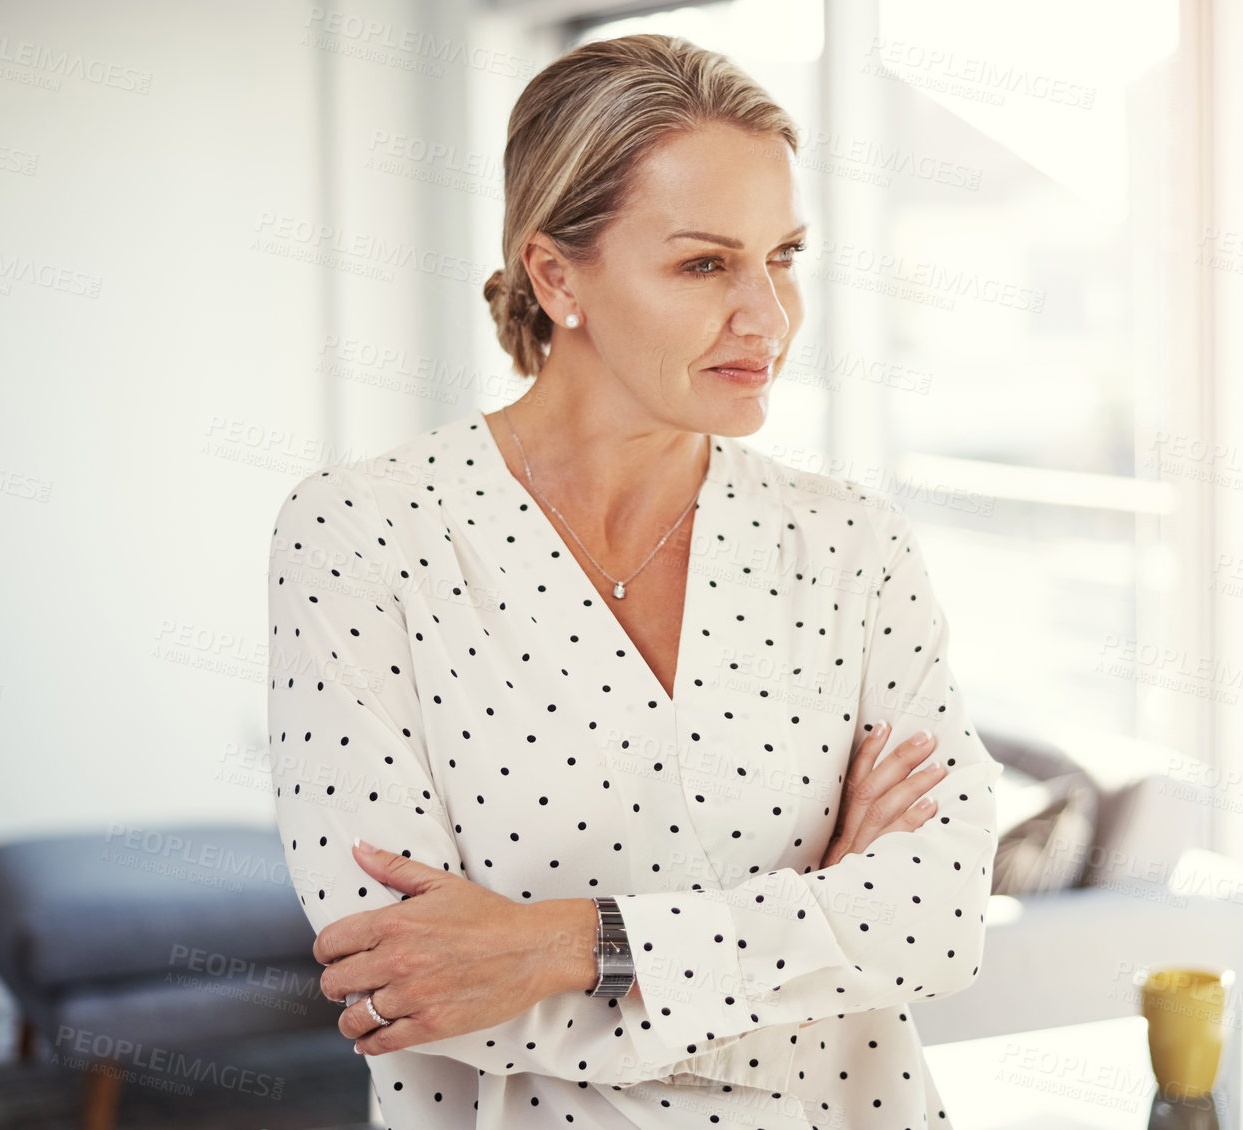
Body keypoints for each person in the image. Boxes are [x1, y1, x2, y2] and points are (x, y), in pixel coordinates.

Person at [266, 32, 1004, 1128]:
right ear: (555, 274)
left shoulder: (851, 545)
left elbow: (935, 917)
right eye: (705, 263)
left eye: (784, 256)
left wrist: (567, 943)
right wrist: (810, 926)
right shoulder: (363, 535)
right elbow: (406, 981)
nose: (768, 316)